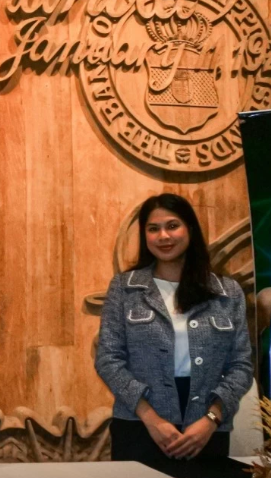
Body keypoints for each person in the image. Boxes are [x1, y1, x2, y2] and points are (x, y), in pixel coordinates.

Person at [95, 193, 253, 463]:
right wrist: (152, 419)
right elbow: (108, 360)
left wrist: (212, 419)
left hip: (205, 430)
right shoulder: (125, 288)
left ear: (189, 229)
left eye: (172, 226)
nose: (163, 236)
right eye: (153, 229)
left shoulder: (227, 292)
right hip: (139, 425)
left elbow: (241, 366)